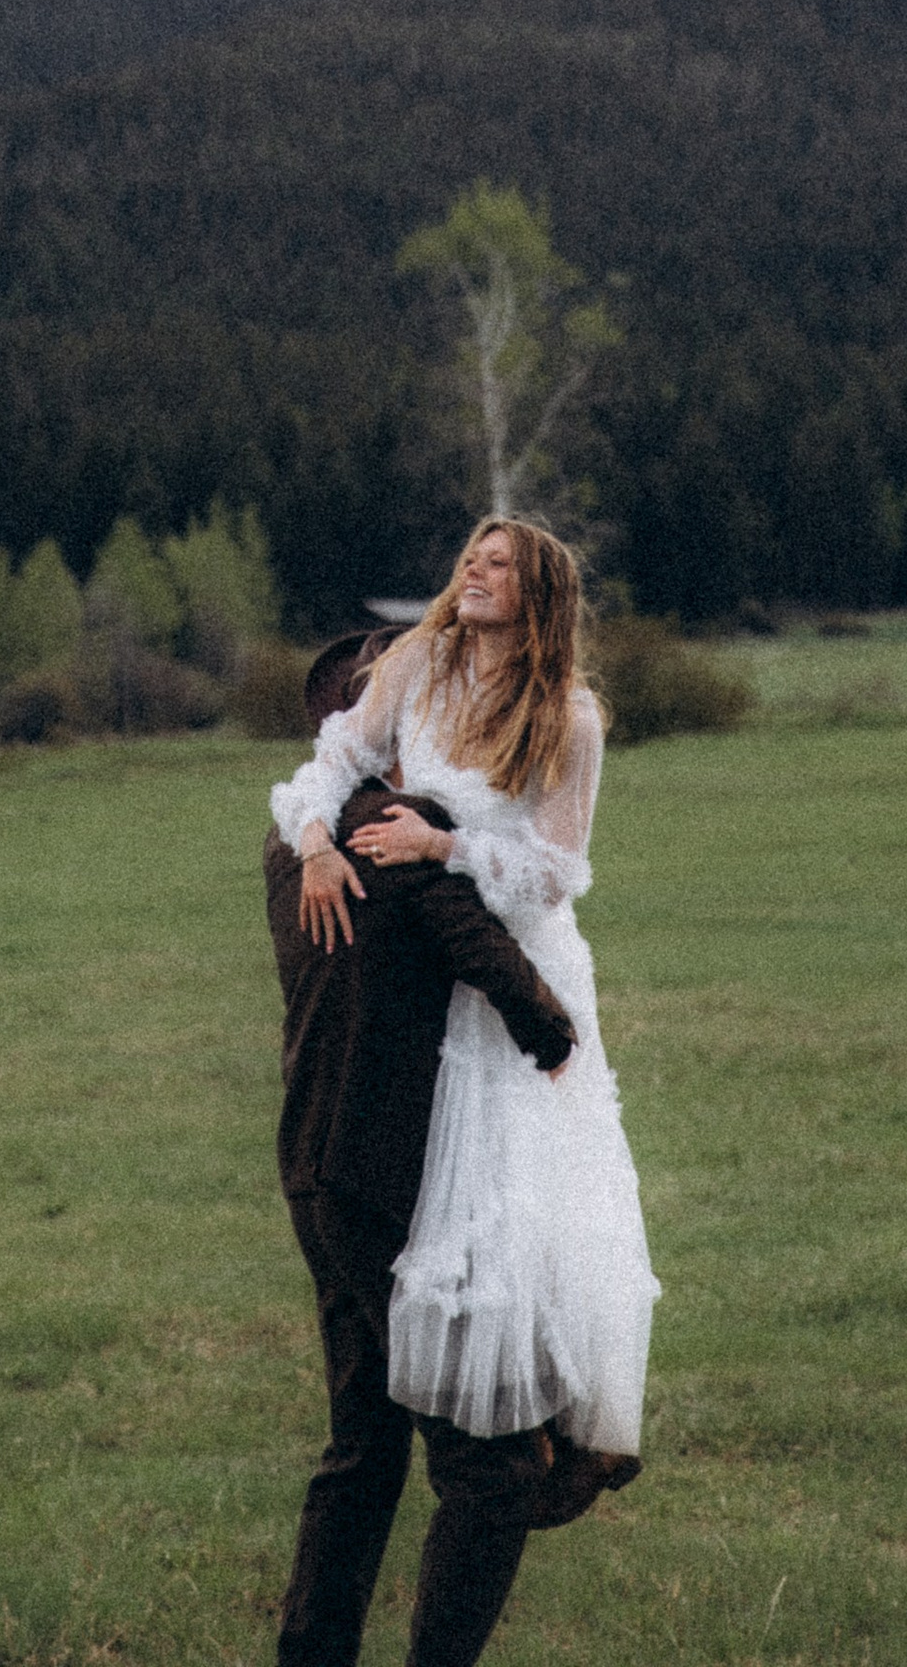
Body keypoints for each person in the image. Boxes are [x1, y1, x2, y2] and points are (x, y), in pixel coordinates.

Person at [261, 615, 635, 1667]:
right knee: (487, 1462)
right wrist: (553, 1029)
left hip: (317, 1170)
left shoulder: (300, 836)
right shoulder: (384, 825)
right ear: (363, 720)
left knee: (364, 1446)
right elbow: (479, 936)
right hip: (385, 1182)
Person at [273, 519, 660, 1471]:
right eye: (471, 561)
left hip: (522, 963)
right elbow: (332, 762)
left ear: (540, 598)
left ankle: (550, 1432)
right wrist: (318, 844)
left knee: (523, 1194)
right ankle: (475, 1430)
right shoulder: (418, 664)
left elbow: (557, 872)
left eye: (502, 566)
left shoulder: (570, 716)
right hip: (439, 972)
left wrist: (443, 848)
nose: (477, 575)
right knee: (446, 1189)